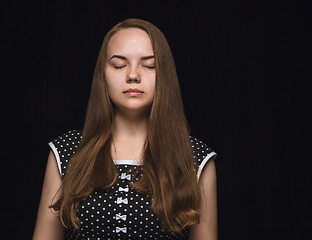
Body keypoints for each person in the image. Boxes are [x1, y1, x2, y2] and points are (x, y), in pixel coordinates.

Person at [33, 18, 217, 240]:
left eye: (149, 65)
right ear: (103, 73)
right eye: (119, 64)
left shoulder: (195, 158)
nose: (133, 75)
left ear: (164, 75)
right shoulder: (67, 151)